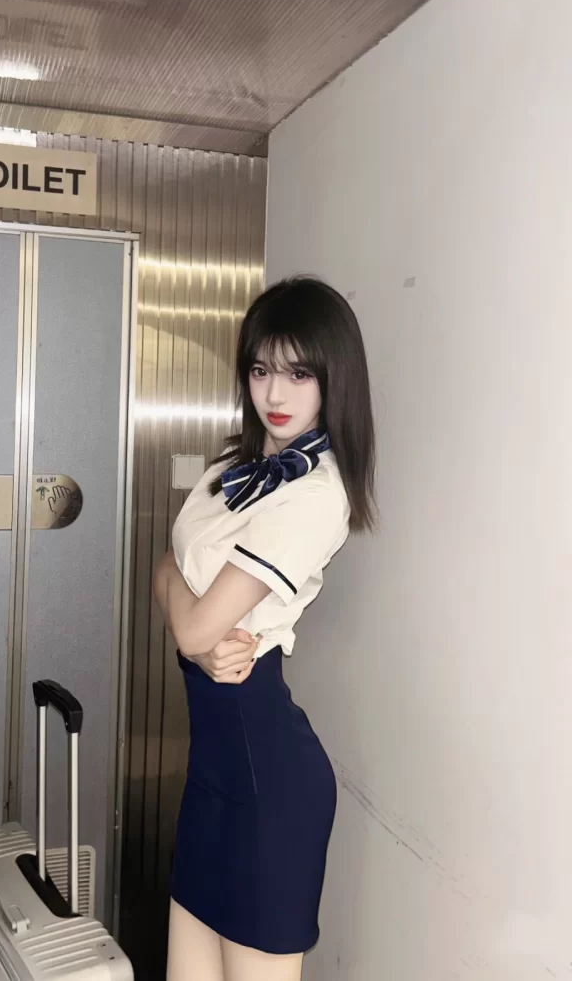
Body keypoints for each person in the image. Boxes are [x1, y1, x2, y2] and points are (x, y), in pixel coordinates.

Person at [154, 276, 376, 981]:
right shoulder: (232, 466)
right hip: (210, 773)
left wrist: (191, 630)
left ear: (334, 378)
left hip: (269, 782)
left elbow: (193, 627)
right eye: (260, 370)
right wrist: (191, 629)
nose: (274, 394)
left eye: (298, 373)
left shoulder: (317, 494)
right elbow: (165, 570)